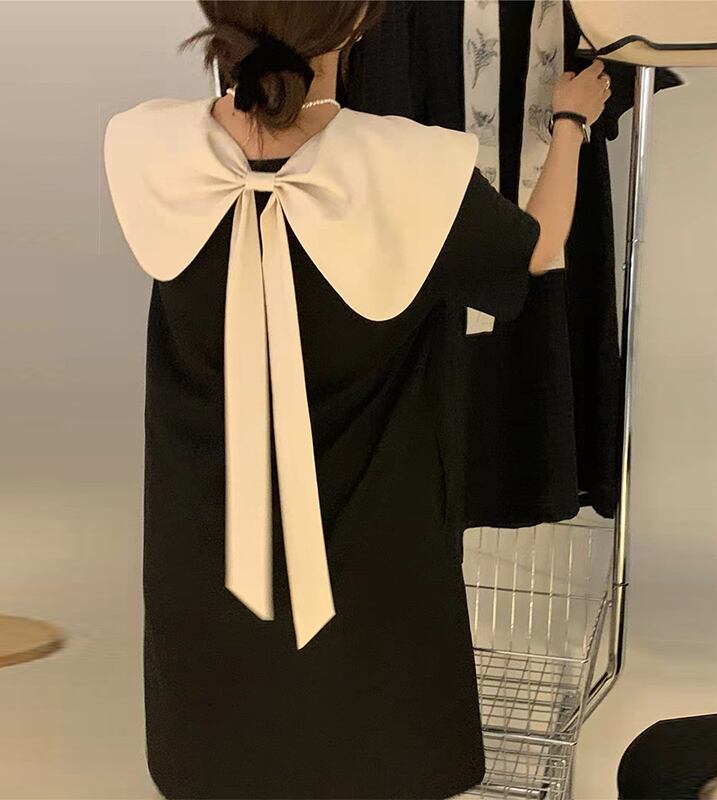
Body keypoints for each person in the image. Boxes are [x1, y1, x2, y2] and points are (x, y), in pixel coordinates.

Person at [103, 2, 611, 798]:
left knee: (224, 745)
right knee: (375, 742)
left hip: (202, 539)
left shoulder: (149, 144)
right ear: (357, 23)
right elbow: (537, 249)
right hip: (376, 543)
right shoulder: (408, 168)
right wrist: (572, 123)